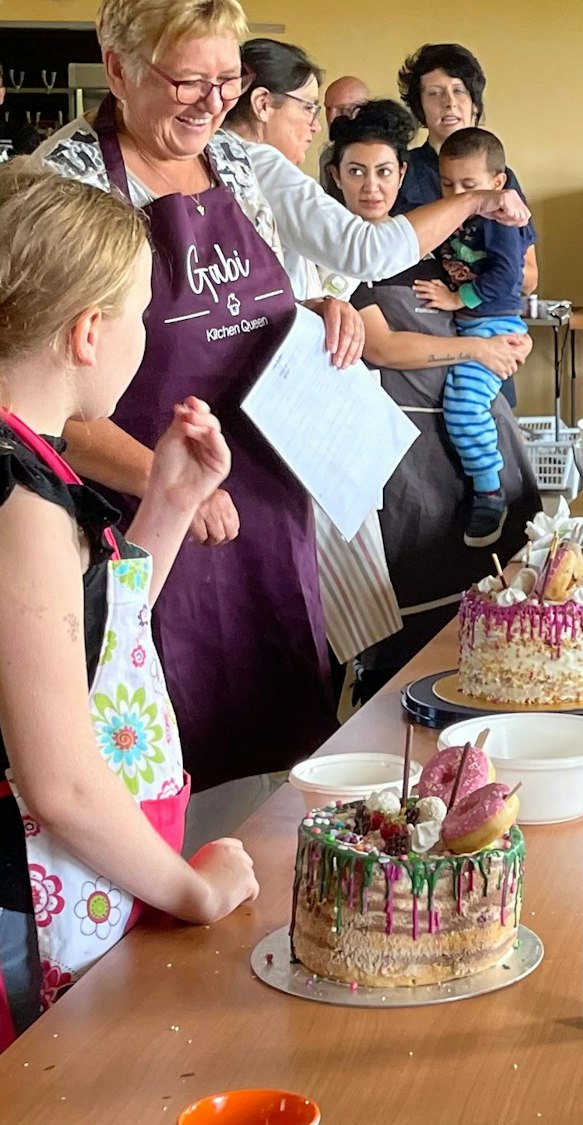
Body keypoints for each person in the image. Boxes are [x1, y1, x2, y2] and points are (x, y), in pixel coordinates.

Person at [36, 0, 359, 842]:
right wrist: (167, 483)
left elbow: (262, 305)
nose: (212, 102)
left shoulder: (238, 165)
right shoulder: (66, 183)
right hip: (145, 519)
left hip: (264, 504)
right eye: (188, 80)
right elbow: (39, 394)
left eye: (228, 80)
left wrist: (318, 310)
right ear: (117, 71)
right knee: (156, 761)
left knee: (278, 755)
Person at [0, 159, 258, 1047]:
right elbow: (62, 781)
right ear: (85, 333)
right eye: (140, 315)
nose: (146, 336)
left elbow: (88, 642)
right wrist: (191, 888)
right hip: (33, 927)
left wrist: (171, 503)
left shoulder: (29, 463)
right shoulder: (18, 504)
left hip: (88, 883)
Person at [326, 100, 538, 704]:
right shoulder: (341, 256)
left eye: (386, 171)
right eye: (358, 171)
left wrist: (503, 341)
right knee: (405, 634)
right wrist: (480, 354)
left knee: (475, 628)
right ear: (335, 176)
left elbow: (499, 285)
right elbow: (385, 347)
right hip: (402, 465)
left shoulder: (420, 242)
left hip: (461, 457)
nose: (373, 185)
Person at [224, 39, 529, 302]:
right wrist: (473, 201)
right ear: (262, 104)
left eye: (384, 172)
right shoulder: (259, 165)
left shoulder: (227, 159)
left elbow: (524, 273)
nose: (316, 125)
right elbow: (367, 250)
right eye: (309, 107)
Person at [410, 127, 528, 547]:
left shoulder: (498, 221)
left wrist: (456, 297)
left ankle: (490, 490)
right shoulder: (454, 216)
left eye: (469, 186)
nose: (457, 194)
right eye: (448, 184)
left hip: (493, 325)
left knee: (464, 405)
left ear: (497, 185)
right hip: (471, 327)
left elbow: (506, 279)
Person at [394, 44, 537, 300]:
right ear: (420, 110)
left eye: (458, 91)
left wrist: (466, 289)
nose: (449, 103)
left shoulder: (500, 176)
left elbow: (529, 278)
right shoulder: (402, 171)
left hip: (481, 312)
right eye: (434, 93)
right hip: (417, 313)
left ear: (474, 103)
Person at [317, 74, 368, 191]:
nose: (331, 118)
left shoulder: (385, 153)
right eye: (328, 109)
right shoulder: (327, 156)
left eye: (343, 110)